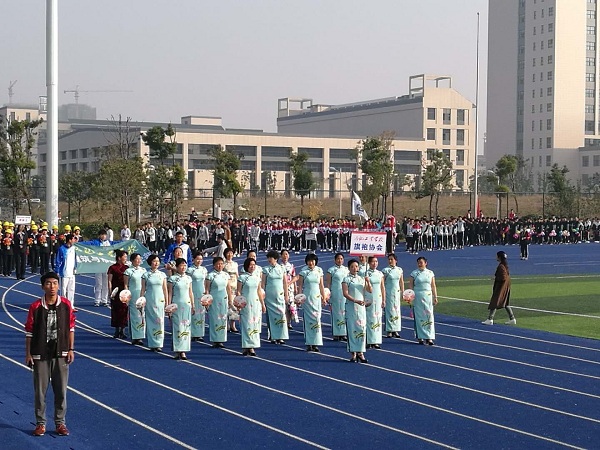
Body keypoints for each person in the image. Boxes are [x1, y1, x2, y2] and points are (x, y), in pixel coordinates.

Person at [25, 272, 75, 437]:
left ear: (58, 286)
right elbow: (29, 332)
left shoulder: (66, 304)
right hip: (40, 353)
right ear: (42, 286)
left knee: (61, 391)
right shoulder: (35, 307)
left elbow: (71, 328)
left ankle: (60, 423)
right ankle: (40, 423)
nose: (52, 286)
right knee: (40, 392)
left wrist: (71, 349)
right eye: (48, 283)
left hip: (61, 352)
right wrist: (28, 354)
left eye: (54, 283)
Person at [342, 259, 372, 363]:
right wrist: (355, 301)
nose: (354, 268)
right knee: (352, 328)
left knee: (361, 328)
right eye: (352, 267)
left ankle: (361, 353)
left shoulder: (362, 279)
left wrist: (368, 281)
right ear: (349, 268)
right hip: (351, 306)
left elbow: (370, 290)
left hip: (361, 307)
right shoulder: (346, 279)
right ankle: (353, 353)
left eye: (356, 266)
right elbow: (345, 293)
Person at [237, 257, 266, 356]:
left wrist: (262, 304)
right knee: (246, 324)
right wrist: (239, 302)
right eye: (250, 265)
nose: (252, 267)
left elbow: (259, 291)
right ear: (246, 266)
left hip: (255, 303)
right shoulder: (242, 278)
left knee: (254, 324)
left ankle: (252, 347)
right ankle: (246, 346)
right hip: (246, 304)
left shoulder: (257, 278)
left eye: (254, 265)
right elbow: (239, 291)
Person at [167, 258, 194, 360]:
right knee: (177, 327)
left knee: (186, 327)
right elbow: (170, 293)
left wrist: (193, 305)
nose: (183, 267)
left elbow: (190, 292)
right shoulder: (172, 279)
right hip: (176, 305)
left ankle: (183, 351)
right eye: (181, 265)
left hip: (187, 305)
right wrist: (169, 306)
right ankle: (177, 350)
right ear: (177, 267)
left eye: (185, 265)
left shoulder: (188, 278)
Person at [298, 253, 326, 352]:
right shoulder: (303, 271)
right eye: (309, 261)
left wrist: (324, 297)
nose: (311, 263)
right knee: (308, 320)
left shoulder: (319, 270)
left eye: (313, 261)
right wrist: (299, 297)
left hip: (317, 297)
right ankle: (309, 343)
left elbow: (321, 285)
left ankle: (316, 343)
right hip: (307, 298)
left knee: (317, 319)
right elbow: (300, 286)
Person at [140, 255, 168, 351]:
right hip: (150, 299)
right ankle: (152, 343)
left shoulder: (162, 275)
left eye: (158, 261)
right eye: (154, 261)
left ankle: (159, 343)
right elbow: (143, 289)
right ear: (150, 262)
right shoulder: (146, 275)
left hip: (160, 300)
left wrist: (167, 302)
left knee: (160, 320)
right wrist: (141, 300)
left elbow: (165, 289)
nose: (156, 263)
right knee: (150, 320)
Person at [261, 250, 289, 344]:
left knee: (281, 315)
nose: (269, 259)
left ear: (276, 259)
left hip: (279, 295)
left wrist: (286, 295)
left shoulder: (282, 268)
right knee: (271, 316)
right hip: (269, 296)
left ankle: (280, 336)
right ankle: (272, 336)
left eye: (271, 258)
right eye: (268, 258)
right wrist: (262, 295)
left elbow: (285, 283)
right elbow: (263, 284)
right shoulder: (265, 269)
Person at [409, 256, 438, 345]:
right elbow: (411, 286)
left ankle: (429, 337)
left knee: (429, 316)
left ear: (426, 263)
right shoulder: (414, 273)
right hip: (418, 296)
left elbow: (433, 286)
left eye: (421, 262)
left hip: (428, 296)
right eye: (418, 262)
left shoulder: (430, 273)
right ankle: (420, 337)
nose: (420, 264)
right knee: (419, 316)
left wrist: (435, 297)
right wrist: (410, 297)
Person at [482, 251, 517, 325]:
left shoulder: (501, 266)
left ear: (499, 257)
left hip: (501, 288)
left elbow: (503, 277)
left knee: (495, 302)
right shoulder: (505, 266)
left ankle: (490, 319)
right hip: (505, 287)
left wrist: (496, 278)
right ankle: (512, 318)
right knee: (506, 303)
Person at [205, 256, 231, 348]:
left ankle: (221, 339)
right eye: (218, 264)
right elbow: (207, 289)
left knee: (223, 318)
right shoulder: (210, 276)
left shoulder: (226, 275)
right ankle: (215, 339)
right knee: (214, 318)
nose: (220, 266)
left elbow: (228, 289)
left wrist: (230, 300)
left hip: (223, 298)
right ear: (214, 265)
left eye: (221, 264)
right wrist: (207, 300)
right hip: (214, 299)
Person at [123, 253, 147, 345]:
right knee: (134, 315)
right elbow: (126, 285)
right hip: (133, 295)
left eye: (140, 259)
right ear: (132, 260)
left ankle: (140, 336)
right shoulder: (128, 271)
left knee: (142, 315)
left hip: (142, 295)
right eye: (137, 259)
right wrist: (126, 295)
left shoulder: (143, 270)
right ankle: (135, 336)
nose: (139, 261)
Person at [326, 252, 349, 341]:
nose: (340, 260)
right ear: (335, 260)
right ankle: (336, 333)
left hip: (344, 294)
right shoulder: (331, 270)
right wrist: (328, 294)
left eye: (341, 259)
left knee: (344, 313)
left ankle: (343, 333)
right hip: (335, 294)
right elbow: (328, 283)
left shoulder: (346, 270)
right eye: (338, 259)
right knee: (336, 313)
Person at [107, 249, 129, 339]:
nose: (126, 258)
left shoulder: (127, 268)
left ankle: (123, 330)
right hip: (115, 291)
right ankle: (116, 329)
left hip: (124, 291)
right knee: (116, 310)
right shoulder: (112, 268)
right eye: (125, 257)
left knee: (124, 310)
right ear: (119, 258)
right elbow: (109, 280)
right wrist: (110, 291)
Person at [187, 250, 208, 342]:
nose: (199, 261)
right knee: (193, 312)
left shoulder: (204, 270)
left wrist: (206, 293)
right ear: (193, 259)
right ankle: (192, 333)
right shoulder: (190, 270)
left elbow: (206, 282)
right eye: (197, 259)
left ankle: (200, 334)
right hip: (193, 292)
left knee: (201, 313)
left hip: (202, 293)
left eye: (201, 259)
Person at [88, 229, 113, 307]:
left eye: (104, 235)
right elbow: (87, 244)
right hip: (98, 266)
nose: (103, 236)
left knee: (106, 284)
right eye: (102, 234)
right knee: (99, 284)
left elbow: (118, 244)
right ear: (99, 235)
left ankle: (104, 300)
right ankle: (97, 300)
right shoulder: (95, 242)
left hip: (106, 266)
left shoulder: (108, 243)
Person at [365, 256, 385, 349]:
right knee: (369, 318)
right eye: (373, 262)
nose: (375, 263)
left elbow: (382, 287)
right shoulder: (365, 273)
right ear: (369, 263)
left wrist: (384, 300)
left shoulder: (380, 273)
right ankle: (369, 340)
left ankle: (376, 340)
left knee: (378, 318)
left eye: (376, 261)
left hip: (378, 297)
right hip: (369, 297)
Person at [382, 253, 404, 338]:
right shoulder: (385, 270)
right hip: (388, 292)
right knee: (389, 310)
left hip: (396, 292)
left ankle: (396, 329)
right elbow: (382, 283)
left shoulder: (399, 270)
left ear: (396, 260)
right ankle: (389, 330)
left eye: (392, 259)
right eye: (389, 259)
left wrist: (403, 292)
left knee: (397, 310)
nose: (390, 261)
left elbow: (401, 282)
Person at [55, 234, 77, 311]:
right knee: (63, 290)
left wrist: (75, 267)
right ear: (69, 240)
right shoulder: (62, 249)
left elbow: (75, 259)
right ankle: (63, 306)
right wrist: (57, 270)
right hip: (64, 273)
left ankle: (71, 306)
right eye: (73, 239)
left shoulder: (74, 248)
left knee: (71, 289)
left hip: (72, 273)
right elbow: (58, 260)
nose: (74, 241)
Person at [223, 247, 240, 333]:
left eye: (231, 253)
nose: (230, 255)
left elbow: (237, 274)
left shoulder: (235, 264)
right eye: (228, 253)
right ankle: (226, 324)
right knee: (226, 304)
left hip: (234, 285)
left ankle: (233, 325)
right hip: (226, 285)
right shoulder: (223, 264)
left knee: (234, 305)